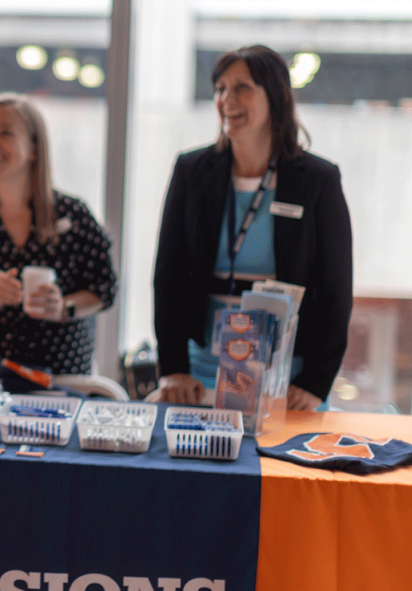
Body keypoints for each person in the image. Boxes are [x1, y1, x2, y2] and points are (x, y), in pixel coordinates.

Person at [150, 44, 353, 410]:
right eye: (220, 89)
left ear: (275, 96)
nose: (227, 99)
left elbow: (337, 289)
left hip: (286, 377)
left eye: (242, 87)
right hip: (201, 371)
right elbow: (169, 275)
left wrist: (315, 383)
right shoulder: (191, 171)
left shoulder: (318, 180)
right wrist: (174, 368)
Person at [0, 92, 116, 378]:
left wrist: (63, 307)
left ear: (34, 149)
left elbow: (104, 289)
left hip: (63, 383)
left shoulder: (73, 214)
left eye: (4, 133)